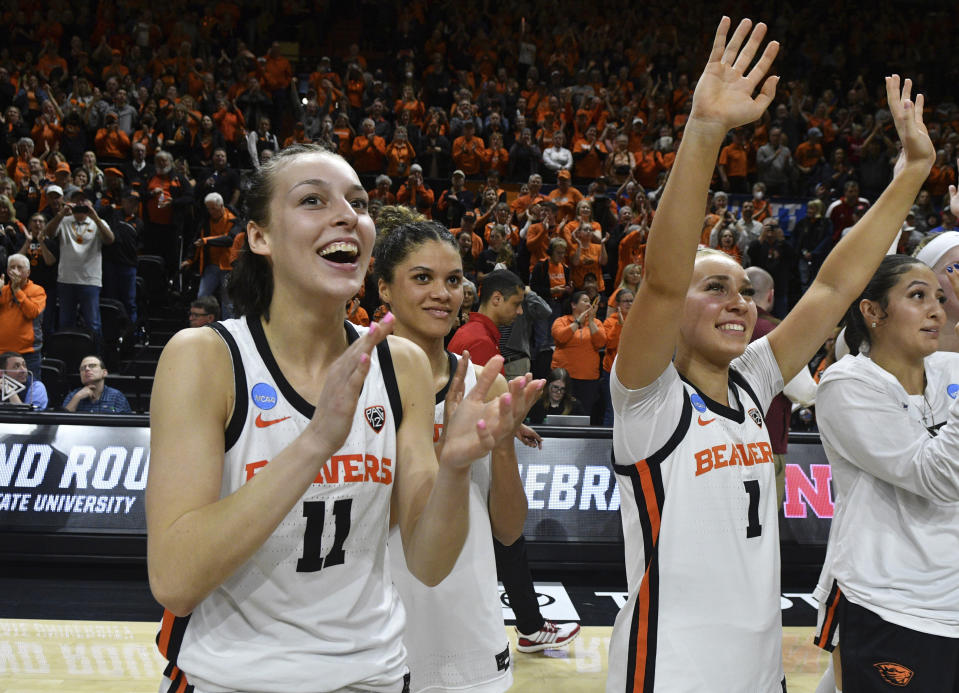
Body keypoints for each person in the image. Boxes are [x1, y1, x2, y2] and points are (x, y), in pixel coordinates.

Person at [606, 15, 933, 691]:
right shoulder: (647, 398)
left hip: (759, 674)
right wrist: (704, 130)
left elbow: (836, 285)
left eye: (743, 289)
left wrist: (910, 175)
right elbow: (663, 279)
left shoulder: (753, 382)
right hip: (669, 671)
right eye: (714, 287)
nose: (737, 300)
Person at [146, 144, 539, 693]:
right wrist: (316, 442)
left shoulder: (398, 364)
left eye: (357, 203)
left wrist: (452, 470)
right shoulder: (205, 357)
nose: (346, 216)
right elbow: (175, 580)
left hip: (373, 674)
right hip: (233, 678)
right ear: (259, 237)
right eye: (313, 200)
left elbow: (426, 562)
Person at [375, 214, 534, 693]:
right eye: (422, 278)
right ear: (384, 289)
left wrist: (502, 444)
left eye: (453, 280)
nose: (442, 293)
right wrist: (445, 459)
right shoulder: (357, 383)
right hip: (379, 630)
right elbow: (360, 521)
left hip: (471, 630)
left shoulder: (489, 383)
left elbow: (508, 529)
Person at [814, 254, 959, 691]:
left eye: (938, 296)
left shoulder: (951, 369)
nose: (937, 308)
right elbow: (939, 478)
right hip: (888, 605)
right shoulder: (848, 384)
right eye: (917, 296)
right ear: (873, 311)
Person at [42, 190, 114, 348]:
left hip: (90, 280)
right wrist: (61, 214)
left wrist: (94, 216)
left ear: (90, 204)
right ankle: (67, 357)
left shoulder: (98, 222)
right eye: (77, 203)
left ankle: (96, 356)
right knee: (65, 323)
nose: (80, 206)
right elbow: (47, 234)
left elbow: (110, 239)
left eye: (84, 202)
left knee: (93, 323)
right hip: (66, 279)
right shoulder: (64, 220)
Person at [551, 291, 606, 420]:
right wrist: (577, 322)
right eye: (585, 301)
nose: (588, 304)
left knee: (584, 414)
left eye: (589, 301)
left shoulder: (596, 323)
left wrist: (591, 321)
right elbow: (560, 337)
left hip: (588, 378)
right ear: (573, 305)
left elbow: (601, 342)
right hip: (564, 377)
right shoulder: (562, 320)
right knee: (561, 411)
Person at [0, 253, 46, 378]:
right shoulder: (2, 290)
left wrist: (16, 290)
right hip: (2, 353)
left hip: (27, 354)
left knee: (28, 392)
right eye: (12, 267)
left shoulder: (37, 290)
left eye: (19, 267)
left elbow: (32, 312)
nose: (15, 271)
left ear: (28, 272)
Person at [63, 354, 131, 413]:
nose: (87, 369)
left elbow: (128, 425)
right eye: (82, 368)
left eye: (92, 366)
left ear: (104, 373)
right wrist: (77, 397)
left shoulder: (117, 396)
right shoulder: (73, 395)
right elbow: (61, 423)